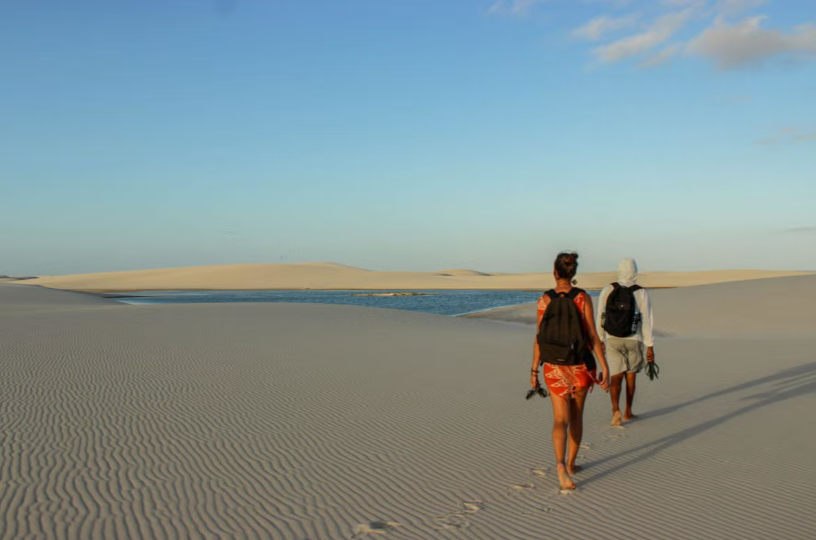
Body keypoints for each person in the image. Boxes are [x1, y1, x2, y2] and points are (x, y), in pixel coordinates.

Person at [530, 252, 609, 491]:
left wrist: (534, 370)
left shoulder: (544, 299)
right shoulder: (582, 297)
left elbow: (539, 337)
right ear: (572, 274)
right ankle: (573, 463)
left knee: (559, 419)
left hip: (554, 366)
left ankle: (560, 465)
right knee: (576, 417)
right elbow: (592, 335)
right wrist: (604, 366)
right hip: (580, 365)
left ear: (555, 272)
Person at [596, 258, 655, 426]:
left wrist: (600, 338)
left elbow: (601, 315)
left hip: (612, 338)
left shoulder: (608, 289)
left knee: (616, 376)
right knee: (631, 376)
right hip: (634, 338)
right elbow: (647, 319)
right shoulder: (640, 292)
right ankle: (628, 411)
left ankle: (616, 410)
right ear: (635, 272)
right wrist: (650, 346)